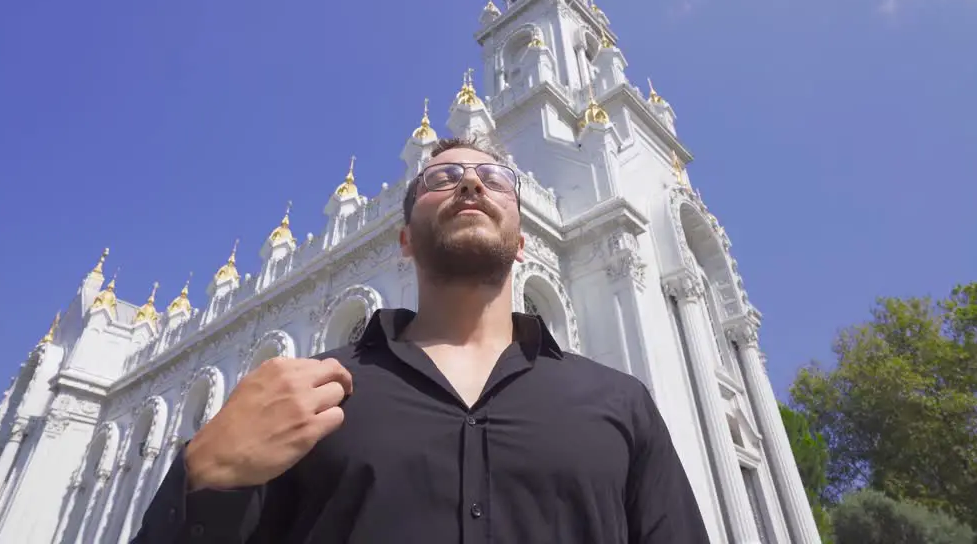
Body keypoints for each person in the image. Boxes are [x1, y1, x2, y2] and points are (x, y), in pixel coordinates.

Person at [132, 137, 709, 543]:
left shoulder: (618, 403)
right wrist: (197, 474)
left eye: (494, 178)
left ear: (522, 241)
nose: (470, 183)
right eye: (442, 178)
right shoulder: (311, 393)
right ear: (404, 239)